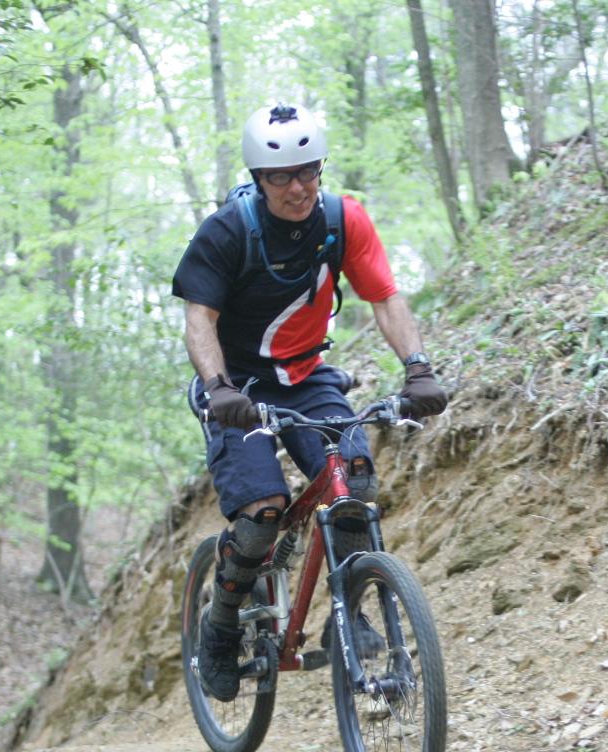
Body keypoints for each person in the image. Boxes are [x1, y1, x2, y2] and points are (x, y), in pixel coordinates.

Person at [172, 102, 446, 703]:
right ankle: (220, 625)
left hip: (306, 374)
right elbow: (200, 319)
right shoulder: (227, 231)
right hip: (237, 387)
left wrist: (418, 369)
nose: (297, 186)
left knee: (353, 480)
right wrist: (219, 389)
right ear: (258, 178)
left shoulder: (342, 221)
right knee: (263, 510)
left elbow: (386, 298)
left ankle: (351, 611)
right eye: (281, 176)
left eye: (308, 171)